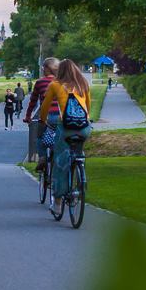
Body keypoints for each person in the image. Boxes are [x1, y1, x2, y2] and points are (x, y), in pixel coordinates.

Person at [41, 59, 92, 206]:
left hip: (66, 127)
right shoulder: (83, 84)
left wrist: (43, 120)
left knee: (60, 162)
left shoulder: (55, 85)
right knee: (78, 152)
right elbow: (88, 106)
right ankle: (80, 177)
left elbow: (45, 106)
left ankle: (57, 202)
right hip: (84, 127)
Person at [24, 57, 59, 164]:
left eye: (43, 67)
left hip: (48, 116)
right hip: (61, 116)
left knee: (40, 137)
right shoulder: (61, 82)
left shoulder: (40, 82)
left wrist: (28, 116)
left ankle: (42, 158)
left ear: (47, 69)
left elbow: (33, 102)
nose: (42, 70)